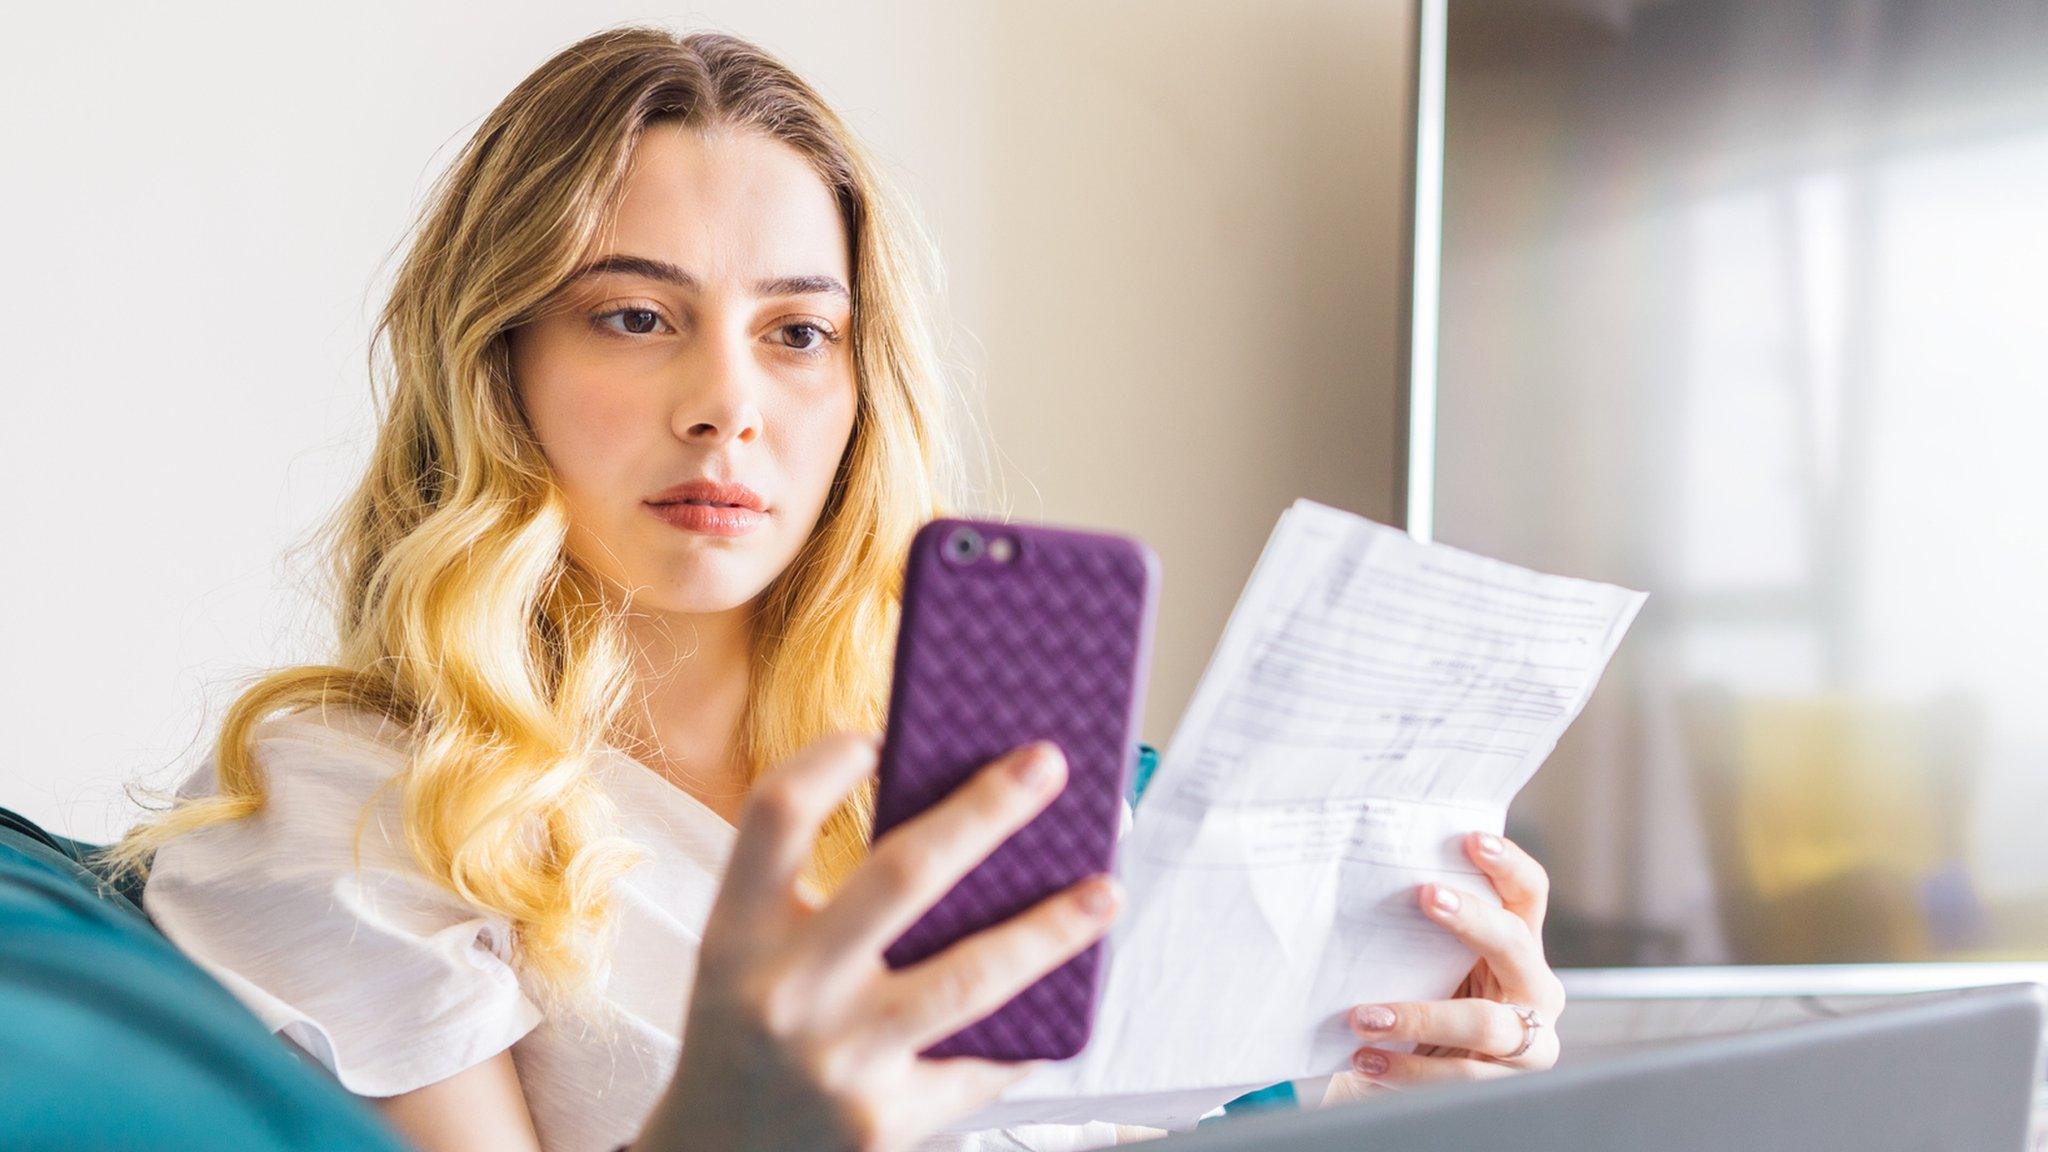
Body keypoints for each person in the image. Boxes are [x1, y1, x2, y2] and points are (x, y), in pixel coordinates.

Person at [106, 25, 1565, 1152]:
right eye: (634, 316)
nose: (727, 404)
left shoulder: (1008, 790)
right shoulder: (356, 810)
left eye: (799, 333)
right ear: (499, 369)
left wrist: (1391, 1092)